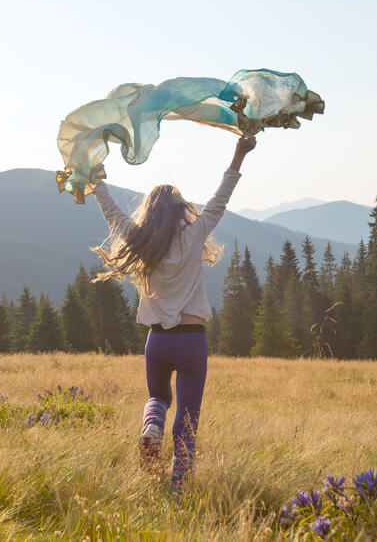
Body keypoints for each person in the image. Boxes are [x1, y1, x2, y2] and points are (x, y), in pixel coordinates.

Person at [91, 135, 257, 494]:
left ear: (149, 211)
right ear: (181, 209)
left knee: (158, 399)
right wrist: (239, 153)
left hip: (157, 343)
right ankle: (178, 491)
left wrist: (96, 183)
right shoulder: (195, 234)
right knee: (187, 422)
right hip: (191, 341)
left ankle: (152, 426)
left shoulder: (139, 240)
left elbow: (112, 213)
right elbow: (219, 201)